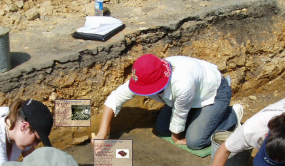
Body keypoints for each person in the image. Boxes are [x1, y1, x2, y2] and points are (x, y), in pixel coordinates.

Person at [93, 54, 243, 150]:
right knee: (162, 129)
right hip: (190, 97)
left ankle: (231, 115)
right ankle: (200, 118)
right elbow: (114, 98)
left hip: (214, 93)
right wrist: (102, 133)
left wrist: (176, 138)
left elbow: (180, 114)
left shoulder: (182, 83)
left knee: (195, 142)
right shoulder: (144, 75)